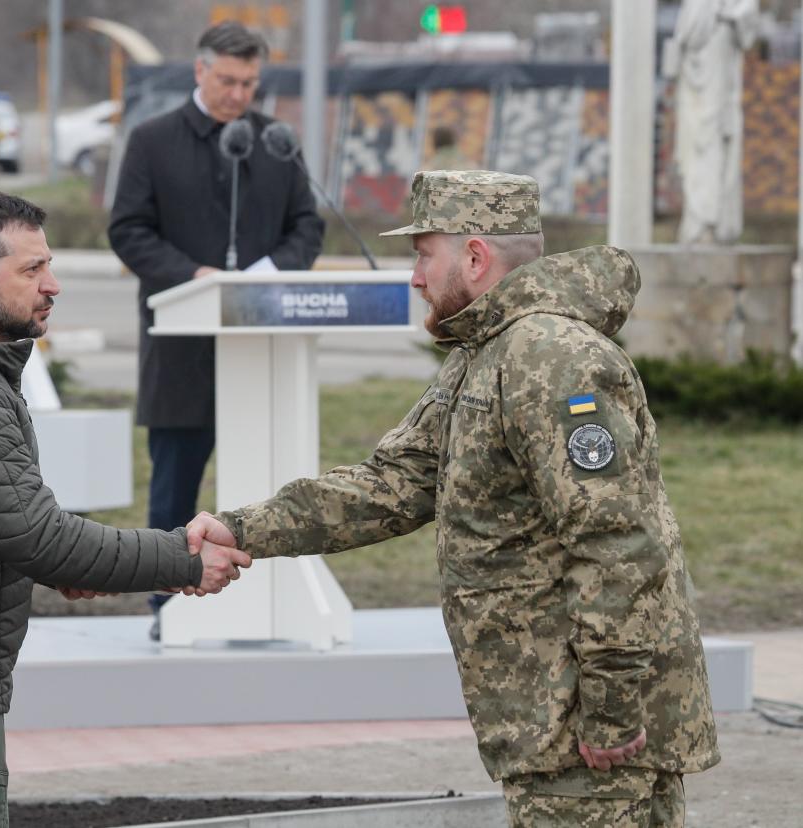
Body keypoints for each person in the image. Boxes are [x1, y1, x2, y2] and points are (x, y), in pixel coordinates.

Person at [187, 170, 720, 826]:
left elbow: (615, 542)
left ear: (475, 256)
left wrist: (610, 711)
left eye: (423, 254)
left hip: (587, 730)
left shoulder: (549, 359)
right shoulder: (488, 355)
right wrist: (243, 530)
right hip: (552, 717)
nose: (415, 276)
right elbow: (394, 484)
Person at [0, 189, 250, 826]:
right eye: (31, 270)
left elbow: (3, 526)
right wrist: (184, 559)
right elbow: (37, 535)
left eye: (49, 266)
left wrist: (69, 566)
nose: (52, 285)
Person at [108, 21, 324, 640]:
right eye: (227, 80)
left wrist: (265, 275)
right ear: (200, 71)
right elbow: (128, 230)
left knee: (266, 480)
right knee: (176, 479)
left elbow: (307, 227)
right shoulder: (153, 141)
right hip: (181, 347)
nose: (237, 94)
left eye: (249, 83)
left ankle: (267, 601)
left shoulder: (276, 142)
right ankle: (164, 604)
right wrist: (196, 277)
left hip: (263, 345)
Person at [666, 0, 757, 244]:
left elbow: (746, 17)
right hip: (696, 73)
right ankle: (699, 222)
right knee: (696, 141)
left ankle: (711, 220)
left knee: (710, 138)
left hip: (717, 57)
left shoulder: (724, 27)